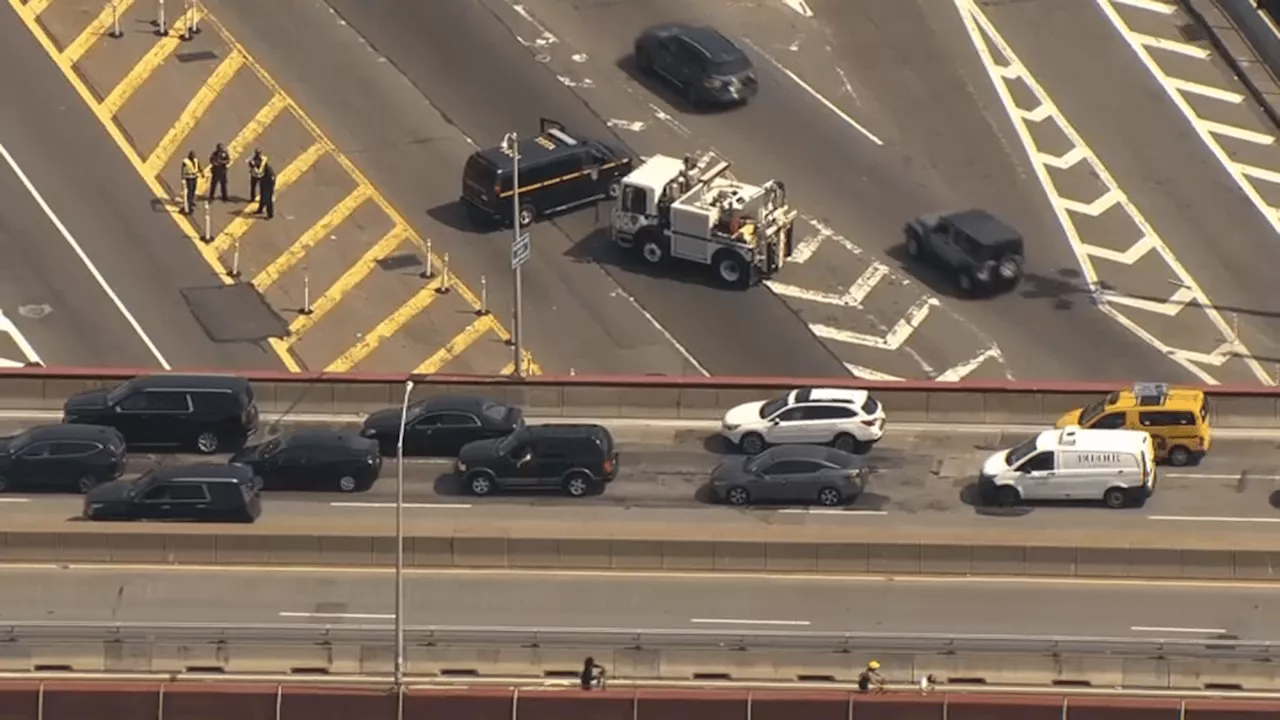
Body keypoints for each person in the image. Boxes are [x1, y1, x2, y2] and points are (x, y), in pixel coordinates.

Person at [180, 150, 201, 215]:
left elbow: (199, 166)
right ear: (189, 155)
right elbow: (182, 170)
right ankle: (188, 202)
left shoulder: (196, 160)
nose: (193, 156)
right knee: (190, 190)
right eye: (192, 155)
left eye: (194, 155)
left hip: (194, 177)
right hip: (189, 178)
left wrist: (201, 172)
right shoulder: (185, 161)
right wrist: (183, 178)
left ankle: (191, 201)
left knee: (194, 189)